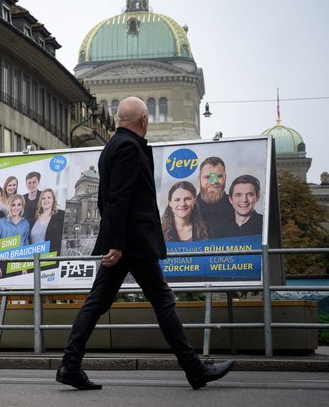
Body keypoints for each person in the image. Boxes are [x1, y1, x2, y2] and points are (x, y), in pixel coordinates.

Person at [56, 96, 234, 391]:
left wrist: (115, 240)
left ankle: (70, 365)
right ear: (143, 120)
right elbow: (119, 197)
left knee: (97, 303)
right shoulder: (128, 147)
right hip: (133, 242)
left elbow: (106, 199)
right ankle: (194, 369)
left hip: (124, 242)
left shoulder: (111, 147)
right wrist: (118, 243)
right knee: (163, 302)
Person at [0, 193, 30, 279]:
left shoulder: (26, 224)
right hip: (3, 264)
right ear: (9, 206)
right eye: (13, 205)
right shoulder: (1, 223)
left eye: (19, 204)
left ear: (22, 206)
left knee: (18, 292)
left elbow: (26, 246)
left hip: (19, 265)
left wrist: (25, 266)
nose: (16, 208)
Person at [196, 157, 233, 235]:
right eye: (207, 177)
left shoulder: (238, 206)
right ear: (199, 179)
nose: (213, 182)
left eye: (219, 176)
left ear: (225, 178)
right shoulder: (187, 208)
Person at [29, 188, 65, 255]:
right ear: (40, 201)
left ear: (53, 200)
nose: (46, 200)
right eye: (43, 198)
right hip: (32, 260)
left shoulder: (61, 215)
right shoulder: (33, 217)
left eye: (49, 198)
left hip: (51, 259)